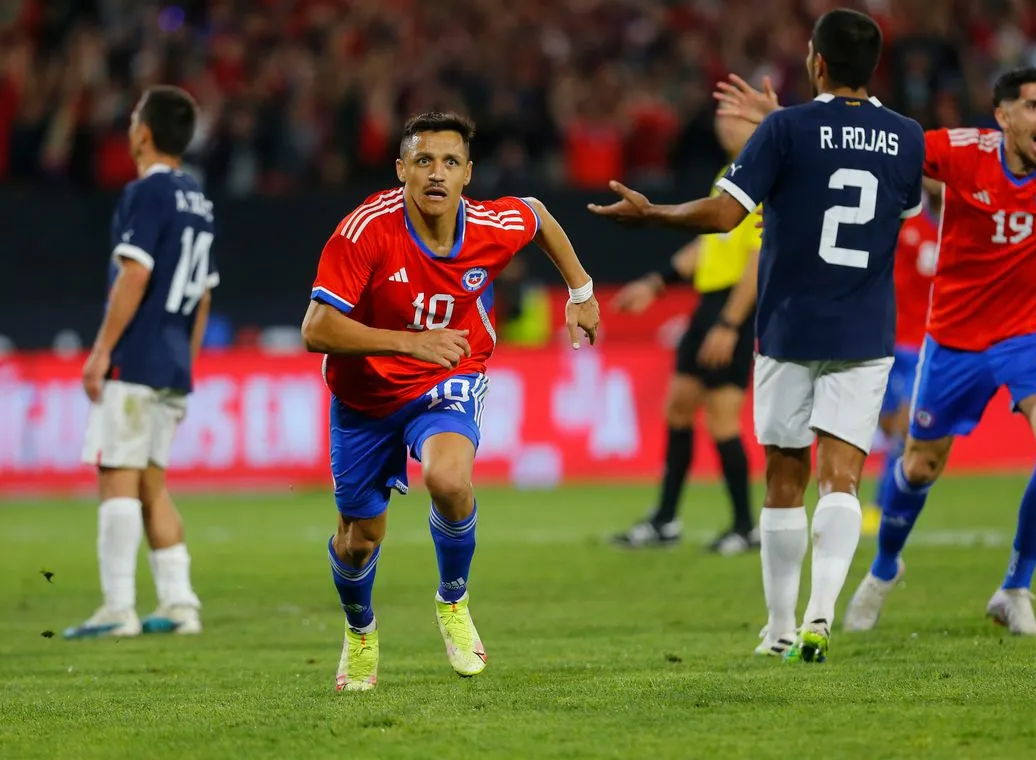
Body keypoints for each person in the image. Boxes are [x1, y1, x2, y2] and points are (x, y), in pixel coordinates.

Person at [590, 9, 925, 663]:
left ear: (817, 63)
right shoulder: (905, 137)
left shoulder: (785, 129)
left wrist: (653, 214)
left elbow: (723, 212)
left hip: (788, 324)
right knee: (842, 478)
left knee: (784, 476)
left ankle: (776, 630)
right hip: (864, 327)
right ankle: (821, 616)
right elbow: (892, 202)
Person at [301, 111, 601, 691]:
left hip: (449, 371)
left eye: (450, 162)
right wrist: (410, 342)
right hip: (364, 397)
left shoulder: (489, 224)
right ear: (401, 170)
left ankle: (453, 601)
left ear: (468, 173)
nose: (436, 174)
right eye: (423, 161)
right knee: (359, 540)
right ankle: (360, 631)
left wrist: (581, 291)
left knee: (449, 479)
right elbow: (317, 328)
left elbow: (536, 215)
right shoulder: (365, 231)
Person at [840, 68, 1036, 635]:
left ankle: (1015, 587)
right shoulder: (958, 151)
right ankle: (883, 569)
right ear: (1002, 117)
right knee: (920, 464)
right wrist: (801, 130)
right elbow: (881, 143)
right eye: (1032, 107)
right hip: (954, 340)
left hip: (1034, 333)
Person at [67, 86, 214, 639]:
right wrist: (187, 360)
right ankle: (180, 605)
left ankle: (117, 608)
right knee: (152, 484)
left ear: (144, 132)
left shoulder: (145, 194)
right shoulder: (199, 201)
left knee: (117, 477)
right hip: (174, 362)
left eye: (132, 118)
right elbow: (204, 295)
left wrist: (103, 349)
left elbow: (135, 273)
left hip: (137, 357)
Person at [609, 111, 763, 556]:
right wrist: (656, 281)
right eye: (723, 118)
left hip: (733, 304)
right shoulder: (728, 176)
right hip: (707, 305)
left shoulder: (761, 181)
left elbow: (758, 260)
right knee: (678, 408)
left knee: (722, 417)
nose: (725, 124)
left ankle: (744, 526)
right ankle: (665, 521)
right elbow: (707, 246)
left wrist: (731, 324)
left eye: (739, 118)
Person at [862, 182, 941, 536]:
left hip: (928, 345)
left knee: (907, 430)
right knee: (889, 426)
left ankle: (884, 507)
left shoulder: (962, 227)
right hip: (889, 341)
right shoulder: (905, 224)